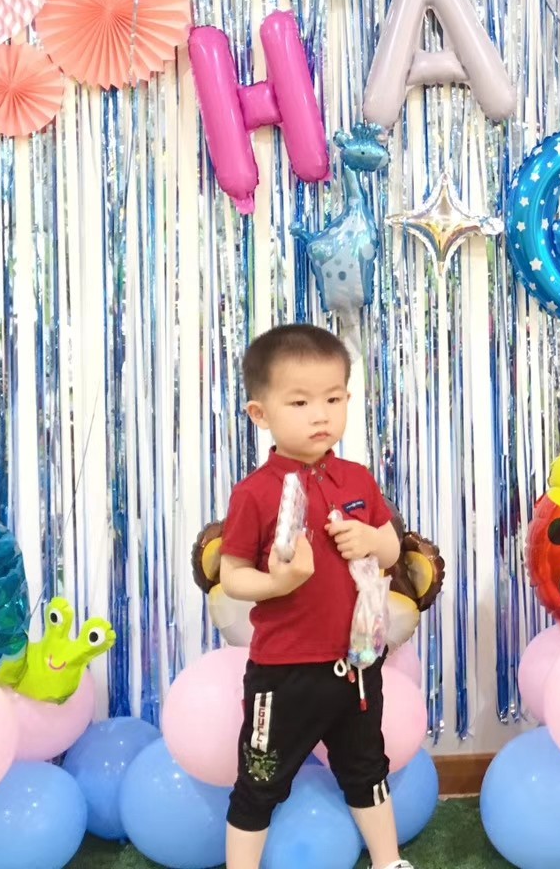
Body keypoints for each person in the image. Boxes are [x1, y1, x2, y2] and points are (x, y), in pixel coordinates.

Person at [218, 324, 413, 869]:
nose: (320, 415)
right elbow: (232, 575)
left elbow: (392, 547)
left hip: (357, 663)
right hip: (284, 672)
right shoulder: (255, 493)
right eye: (300, 402)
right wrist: (277, 584)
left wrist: (372, 539)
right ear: (261, 414)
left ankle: (389, 861)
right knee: (259, 782)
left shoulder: (358, 479)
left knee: (367, 770)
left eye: (333, 399)